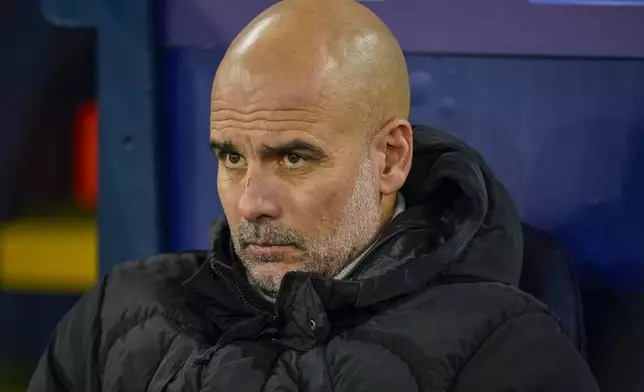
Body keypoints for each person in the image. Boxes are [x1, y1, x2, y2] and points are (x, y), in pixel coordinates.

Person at [28, 0, 600, 391]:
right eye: (231, 157)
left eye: (293, 158)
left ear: (390, 158)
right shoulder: (117, 312)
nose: (251, 203)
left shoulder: (502, 346)